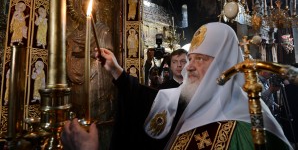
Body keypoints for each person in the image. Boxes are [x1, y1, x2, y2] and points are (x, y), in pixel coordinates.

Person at [62, 22, 292, 150]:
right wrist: (115, 70)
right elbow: (145, 101)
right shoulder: (184, 102)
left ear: (225, 66)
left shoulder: (246, 133)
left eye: (200, 59)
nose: (189, 67)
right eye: (190, 58)